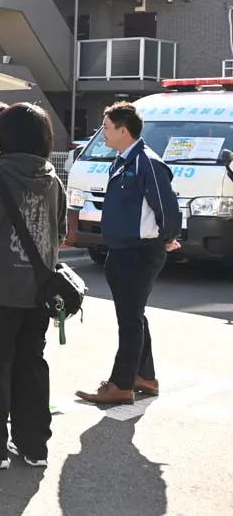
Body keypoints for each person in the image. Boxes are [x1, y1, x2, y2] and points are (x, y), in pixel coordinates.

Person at [0, 103, 65, 469]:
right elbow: (60, 232)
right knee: (31, 365)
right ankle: (34, 446)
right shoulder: (53, 181)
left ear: (7, 137)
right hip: (39, 291)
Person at [76, 102, 181, 406]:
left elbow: (167, 207)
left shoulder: (147, 162)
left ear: (124, 131)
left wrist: (167, 238)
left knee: (129, 319)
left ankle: (121, 384)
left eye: (107, 127)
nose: (103, 133)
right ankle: (144, 376)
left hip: (139, 251)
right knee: (133, 315)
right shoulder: (122, 161)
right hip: (122, 250)